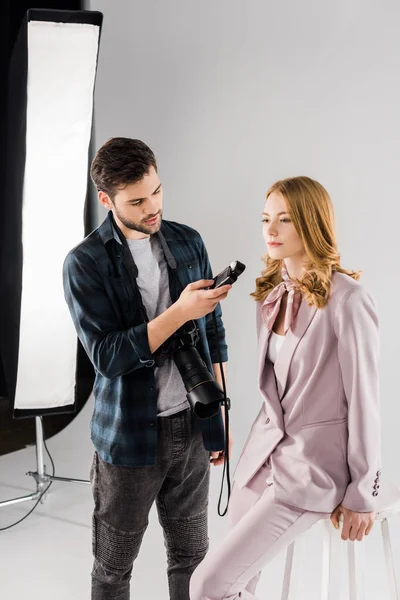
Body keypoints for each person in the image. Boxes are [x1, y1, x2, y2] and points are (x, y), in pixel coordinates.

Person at [189, 176, 381, 600]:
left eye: (285, 220)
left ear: (311, 223)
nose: (270, 231)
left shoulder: (348, 300)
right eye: (265, 219)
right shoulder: (271, 297)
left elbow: (364, 401)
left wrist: (363, 493)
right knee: (233, 587)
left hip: (313, 467)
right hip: (259, 462)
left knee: (205, 585)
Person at [62, 137, 233, 600]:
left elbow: (213, 332)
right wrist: (180, 311)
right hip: (128, 441)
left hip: (193, 428)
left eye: (156, 191)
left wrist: (217, 419)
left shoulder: (186, 240)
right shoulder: (84, 264)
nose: (152, 206)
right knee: (113, 570)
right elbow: (109, 356)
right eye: (137, 200)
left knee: (193, 561)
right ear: (106, 200)